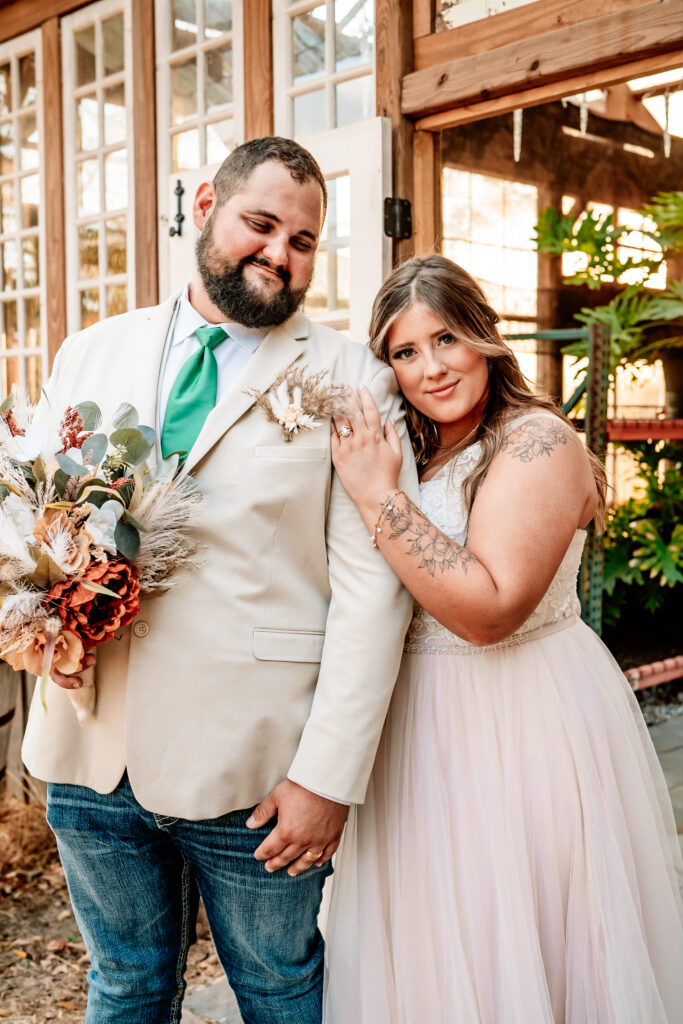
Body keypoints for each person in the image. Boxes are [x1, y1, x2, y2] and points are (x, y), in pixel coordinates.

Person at [21, 137, 418, 1024]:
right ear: (206, 206)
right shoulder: (90, 351)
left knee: (280, 994)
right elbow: (31, 520)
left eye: (304, 241)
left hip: (259, 777)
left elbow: (372, 596)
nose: (280, 253)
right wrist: (40, 629)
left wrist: (327, 777)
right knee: (124, 989)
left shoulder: (351, 379)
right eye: (261, 223)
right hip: (89, 758)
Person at [324, 254, 683, 1024]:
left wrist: (377, 495)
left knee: (518, 939)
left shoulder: (535, 442)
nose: (431, 368)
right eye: (404, 352)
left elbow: (488, 608)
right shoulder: (409, 449)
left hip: (520, 723)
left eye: (446, 338)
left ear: (483, 337)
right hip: (412, 735)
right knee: (428, 947)